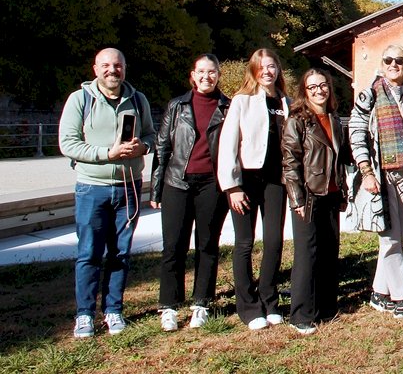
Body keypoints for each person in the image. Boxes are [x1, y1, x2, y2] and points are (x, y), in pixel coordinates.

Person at [59, 47, 156, 339]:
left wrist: (143, 148)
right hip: (92, 188)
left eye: (117, 65)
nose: (112, 70)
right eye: (106, 66)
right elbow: (68, 144)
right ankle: (84, 314)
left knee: (121, 252)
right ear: (95, 69)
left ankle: (113, 310)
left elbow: (152, 135)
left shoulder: (137, 99)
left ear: (124, 68)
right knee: (88, 253)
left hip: (128, 186)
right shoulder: (80, 100)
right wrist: (108, 153)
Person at [150, 53, 231, 332]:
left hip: (212, 184)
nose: (206, 77)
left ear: (219, 75)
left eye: (212, 72)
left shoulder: (227, 107)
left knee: (207, 245)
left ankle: (201, 304)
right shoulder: (177, 106)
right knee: (173, 246)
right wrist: (156, 188)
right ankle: (169, 306)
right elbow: (163, 148)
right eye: (201, 72)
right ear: (192, 76)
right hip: (177, 182)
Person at [217, 48, 290, 330]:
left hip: (276, 181)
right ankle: (248, 306)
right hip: (246, 180)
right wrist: (232, 186)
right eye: (262, 67)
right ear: (254, 71)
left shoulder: (286, 101)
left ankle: (270, 300)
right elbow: (228, 146)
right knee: (245, 243)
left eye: (272, 66)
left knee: (273, 241)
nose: (267, 72)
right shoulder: (242, 101)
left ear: (278, 70)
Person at [349, 45, 403, 319]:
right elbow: (356, 132)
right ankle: (401, 297)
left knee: (397, 239)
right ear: (382, 64)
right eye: (388, 59)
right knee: (389, 238)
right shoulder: (370, 95)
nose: (393, 64)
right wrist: (366, 171)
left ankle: (378, 292)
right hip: (381, 174)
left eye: (399, 60)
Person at [282, 68, 350, 335]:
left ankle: (326, 307)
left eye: (323, 86)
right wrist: (297, 198)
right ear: (304, 92)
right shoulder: (297, 121)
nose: (319, 91)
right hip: (308, 196)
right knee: (307, 254)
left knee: (329, 250)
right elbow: (290, 163)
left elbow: (340, 159)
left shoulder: (333, 119)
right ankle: (300, 313)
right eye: (312, 87)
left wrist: (344, 192)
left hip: (331, 194)